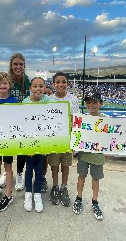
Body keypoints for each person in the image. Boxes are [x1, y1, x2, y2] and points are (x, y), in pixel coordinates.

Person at [0, 53, 30, 191]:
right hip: (7, 119)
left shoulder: (27, 80)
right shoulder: (6, 79)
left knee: (22, 148)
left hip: (22, 119)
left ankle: (19, 173)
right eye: (15, 64)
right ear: (11, 65)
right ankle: (7, 172)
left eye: (21, 64)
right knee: (7, 147)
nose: (18, 66)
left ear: (24, 66)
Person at [48, 72, 79, 207]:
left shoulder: (73, 99)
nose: (61, 84)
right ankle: (55, 186)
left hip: (68, 139)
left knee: (66, 165)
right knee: (54, 165)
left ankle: (64, 186)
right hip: (54, 139)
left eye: (63, 82)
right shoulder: (49, 99)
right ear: (54, 84)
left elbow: (77, 122)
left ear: (67, 83)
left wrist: (75, 142)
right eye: (58, 82)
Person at [72, 91, 104, 220]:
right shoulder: (81, 119)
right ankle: (79, 198)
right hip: (84, 154)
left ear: (100, 103)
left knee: (95, 178)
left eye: (94, 102)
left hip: (98, 155)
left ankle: (95, 202)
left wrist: (125, 130)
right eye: (88, 102)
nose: (91, 105)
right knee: (81, 176)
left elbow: (116, 134)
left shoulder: (106, 120)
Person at [0, 72, 18, 212]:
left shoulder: (14, 101)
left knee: (8, 166)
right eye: (0, 83)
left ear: (9, 85)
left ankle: (8, 194)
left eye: (5, 83)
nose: (2, 86)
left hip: (8, 138)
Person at [22, 77, 52, 212]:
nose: (38, 89)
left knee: (39, 170)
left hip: (43, 142)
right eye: (35, 86)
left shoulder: (49, 101)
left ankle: (38, 194)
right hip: (29, 142)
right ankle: (28, 193)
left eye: (40, 86)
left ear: (44, 88)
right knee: (28, 170)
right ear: (30, 88)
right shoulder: (25, 102)